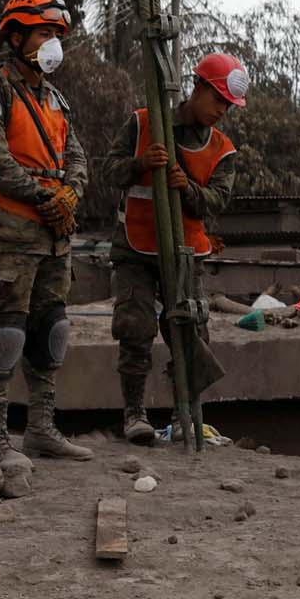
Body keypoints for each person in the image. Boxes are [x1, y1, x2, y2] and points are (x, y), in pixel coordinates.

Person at [0, 0, 93, 496]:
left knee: (51, 331)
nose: (53, 43)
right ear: (16, 37)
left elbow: (77, 158)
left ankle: (40, 429)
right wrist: (47, 196)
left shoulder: (55, 99)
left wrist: (71, 194)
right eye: (44, 33)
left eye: (58, 34)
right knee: (5, 335)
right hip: (12, 234)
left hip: (55, 238)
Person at [102, 53, 244, 443]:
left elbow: (217, 201)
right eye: (218, 101)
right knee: (135, 327)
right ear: (198, 88)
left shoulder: (222, 149)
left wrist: (188, 189)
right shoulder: (143, 123)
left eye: (228, 106)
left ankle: (187, 414)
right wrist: (140, 163)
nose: (222, 112)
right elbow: (108, 170)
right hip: (136, 246)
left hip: (186, 252)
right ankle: (134, 413)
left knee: (190, 332)